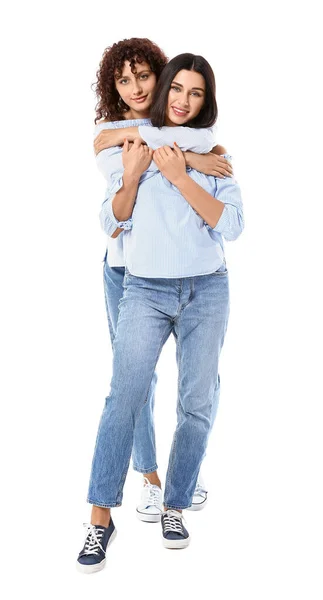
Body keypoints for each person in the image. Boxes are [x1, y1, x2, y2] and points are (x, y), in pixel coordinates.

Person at [77, 50, 243, 573]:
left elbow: (232, 225)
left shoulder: (213, 152)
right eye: (177, 89)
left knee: (197, 402)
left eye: (195, 93)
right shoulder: (130, 143)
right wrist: (144, 168)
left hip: (205, 288)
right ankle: (100, 517)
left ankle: (174, 502)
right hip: (142, 287)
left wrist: (184, 172)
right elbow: (110, 212)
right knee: (124, 396)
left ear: (205, 101)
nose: (181, 100)